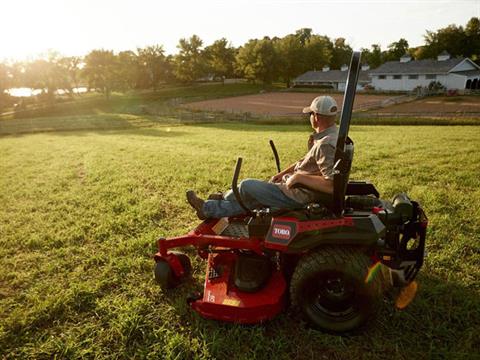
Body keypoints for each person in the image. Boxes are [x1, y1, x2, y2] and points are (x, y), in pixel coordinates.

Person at [186, 95, 339, 220]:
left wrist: (299, 177)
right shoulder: (332, 136)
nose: (309, 117)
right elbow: (305, 162)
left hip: (299, 196)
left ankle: (223, 197)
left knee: (247, 185)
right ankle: (208, 208)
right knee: (254, 199)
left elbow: (331, 185)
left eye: (310, 114)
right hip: (299, 189)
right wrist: (281, 174)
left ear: (316, 117)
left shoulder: (325, 145)